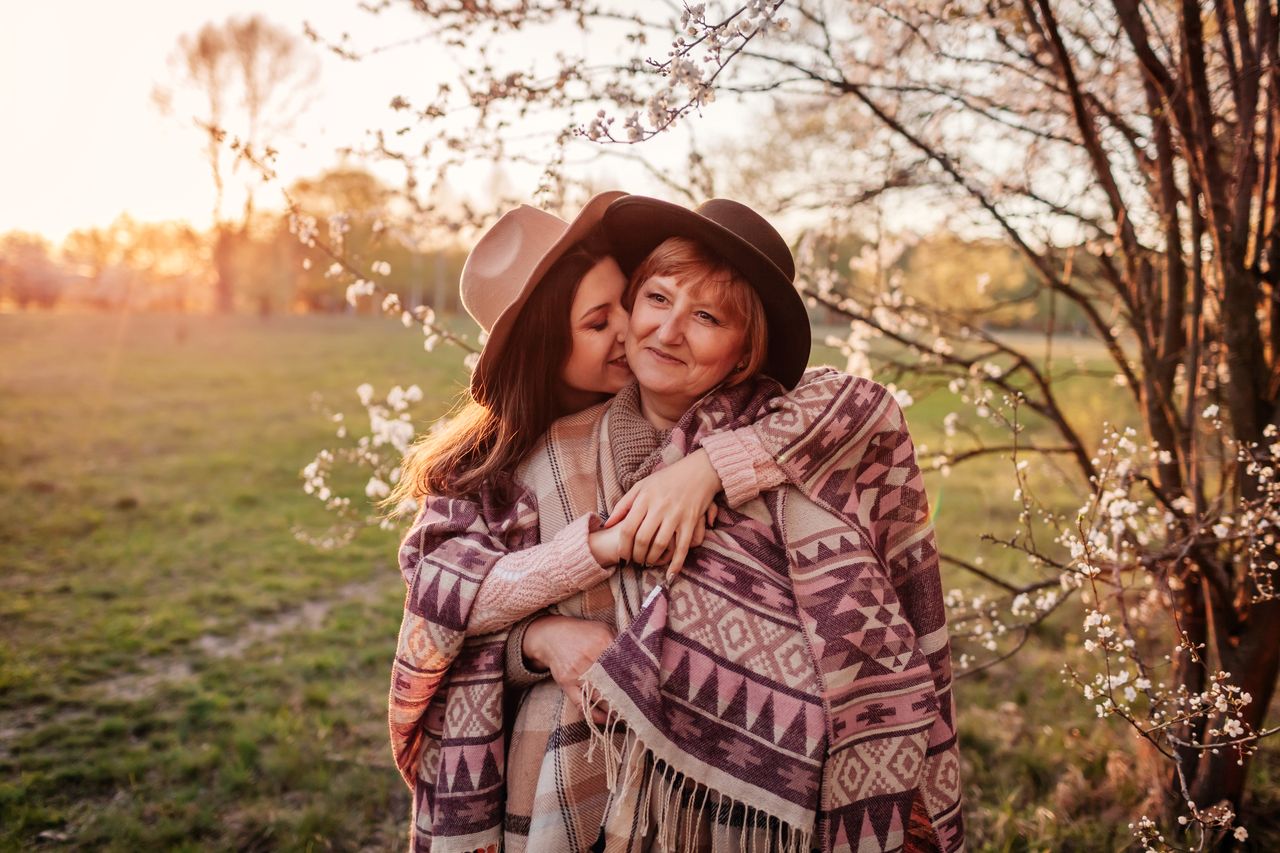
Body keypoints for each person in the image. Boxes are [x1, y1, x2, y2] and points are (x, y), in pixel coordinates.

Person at [390, 197, 964, 852]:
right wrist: (543, 633)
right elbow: (451, 611)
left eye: (624, 306)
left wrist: (705, 469)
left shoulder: (760, 431)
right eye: (604, 319)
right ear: (549, 345)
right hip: (575, 774)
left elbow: (862, 403)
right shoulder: (505, 469)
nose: (650, 331)